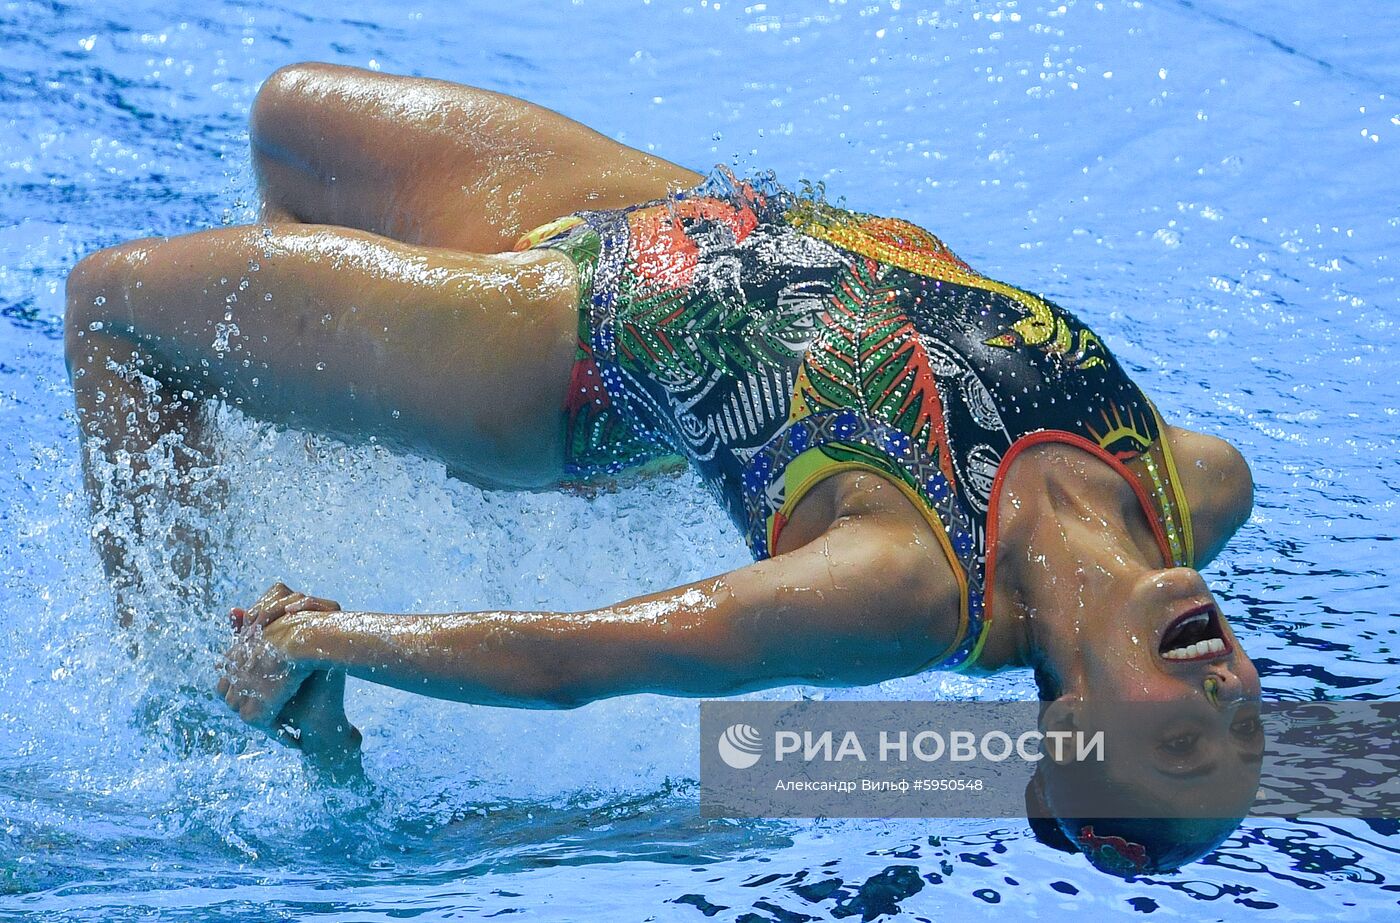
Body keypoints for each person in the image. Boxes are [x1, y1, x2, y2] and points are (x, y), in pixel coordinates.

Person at [63, 63, 1261, 873]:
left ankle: (207, 714)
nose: (1225, 702)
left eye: (1176, 745)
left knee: (113, 308)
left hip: (551, 347)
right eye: (1245, 736)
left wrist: (333, 632)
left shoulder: (907, 585)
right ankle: (322, 418)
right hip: (665, 212)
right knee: (288, 121)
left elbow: (575, 657)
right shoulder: (1191, 486)